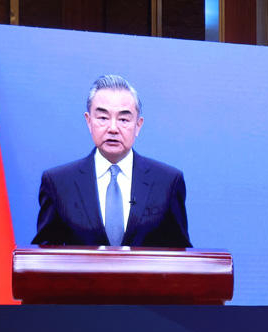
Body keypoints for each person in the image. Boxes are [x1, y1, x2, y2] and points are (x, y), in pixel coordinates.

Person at [32, 75, 191, 249]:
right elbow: (44, 255)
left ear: (138, 125)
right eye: (103, 118)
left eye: (123, 120)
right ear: (89, 121)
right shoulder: (58, 183)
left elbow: (180, 254)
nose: (113, 128)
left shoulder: (167, 182)